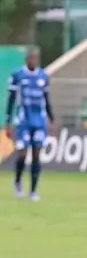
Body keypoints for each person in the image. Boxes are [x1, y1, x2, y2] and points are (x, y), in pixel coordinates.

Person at [5, 47, 53, 202]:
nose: (34, 60)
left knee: (37, 154)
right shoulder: (18, 76)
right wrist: (8, 122)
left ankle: (33, 190)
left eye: (36, 58)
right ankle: (18, 181)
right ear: (27, 59)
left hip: (39, 121)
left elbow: (47, 100)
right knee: (23, 153)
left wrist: (51, 119)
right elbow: (11, 100)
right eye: (31, 58)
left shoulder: (43, 77)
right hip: (23, 120)